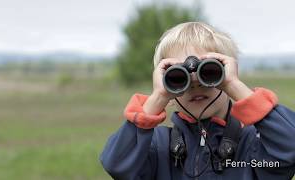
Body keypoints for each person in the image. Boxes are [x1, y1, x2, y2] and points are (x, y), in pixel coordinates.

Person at [100, 22, 295, 179]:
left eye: (209, 72)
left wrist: (234, 86)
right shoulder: (157, 146)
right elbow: (117, 165)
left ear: (227, 74)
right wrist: (158, 97)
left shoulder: (254, 145)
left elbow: (290, 147)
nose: (195, 84)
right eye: (179, 78)